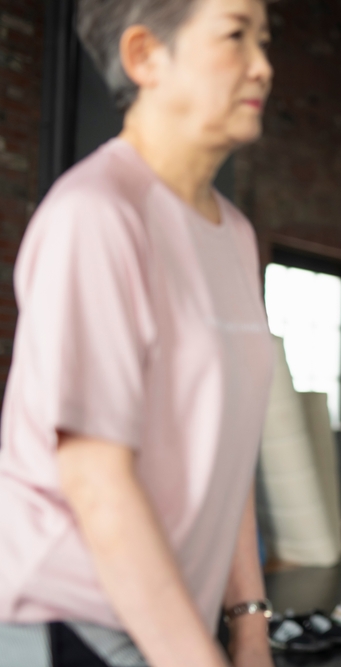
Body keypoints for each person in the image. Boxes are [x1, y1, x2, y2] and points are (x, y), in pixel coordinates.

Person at [0, 2, 275, 666]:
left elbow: (226, 445)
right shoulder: (96, 214)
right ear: (145, 56)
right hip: (69, 616)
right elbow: (96, 478)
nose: (263, 66)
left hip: (168, 613)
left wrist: (248, 621)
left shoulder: (234, 235)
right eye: (236, 35)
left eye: (265, 40)